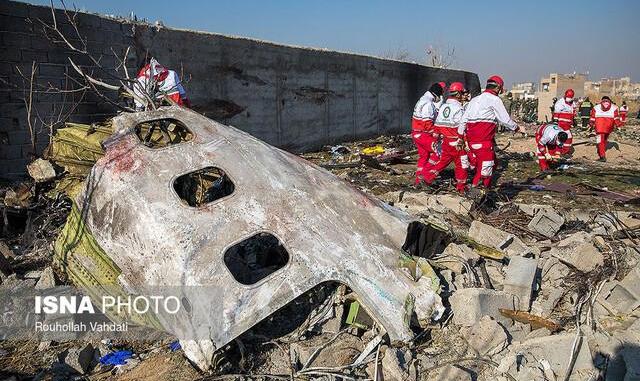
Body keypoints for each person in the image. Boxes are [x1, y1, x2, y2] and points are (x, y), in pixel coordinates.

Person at [459, 75, 525, 188]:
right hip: (483, 141)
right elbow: (505, 119)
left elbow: (463, 120)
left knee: (493, 163)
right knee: (486, 170)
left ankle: (483, 186)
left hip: (471, 141)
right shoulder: (495, 100)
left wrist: (460, 137)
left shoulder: (474, 100)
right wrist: (517, 128)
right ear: (498, 88)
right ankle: (478, 193)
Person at [421, 82, 470, 193]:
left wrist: (436, 138)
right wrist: (465, 141)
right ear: (457, 94)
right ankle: (461, 187)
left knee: (442, 162)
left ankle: (427, 178)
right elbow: (462, 127)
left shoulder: (443, 107)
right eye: (462, 93)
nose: (464, 96)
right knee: (462, 164)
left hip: (446, 142)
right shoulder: (459, 109)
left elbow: (437, 125)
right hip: (457, 142)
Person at [411, 83, 444, 185]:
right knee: (438, 151)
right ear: (437, 94)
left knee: (424, 156)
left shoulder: (422, 100)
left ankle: (418, 179)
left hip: (416, 133)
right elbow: (427, 123)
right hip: (422, 134)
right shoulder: (428, 104)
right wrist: (437, 134)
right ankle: (425, 176)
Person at [589, 96, 622, 162]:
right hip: (608, 127)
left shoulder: (596, 107)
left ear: (602, 100)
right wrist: (619, 125)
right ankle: (602, 151)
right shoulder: (614, 107)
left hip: (599, 128)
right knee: (604, 140)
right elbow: (616, 118)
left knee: (600, 141)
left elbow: (592, 118)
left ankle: (602, 156)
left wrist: (591, 125)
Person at [552, 89, 576, 154]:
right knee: (567, 137)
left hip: (567, 124)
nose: (569, 99)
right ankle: (563, 151)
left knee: (564, 137)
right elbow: (556, 113)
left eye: (570, 97)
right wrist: (555, 122)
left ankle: (561, 151)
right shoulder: (560, 102)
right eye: (568, 97)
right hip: (561, 124)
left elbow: (573, 112)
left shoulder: (573, 103)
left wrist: (574, 120)